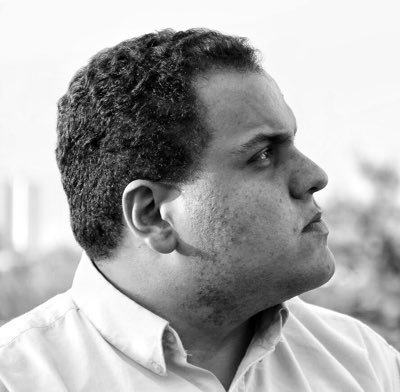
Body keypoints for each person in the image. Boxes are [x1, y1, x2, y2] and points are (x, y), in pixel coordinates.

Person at [0, 28, 399, 392]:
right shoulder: (18, 379)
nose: (314, 176)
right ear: (152, 215)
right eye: (262, 155)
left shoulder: (363, 364)